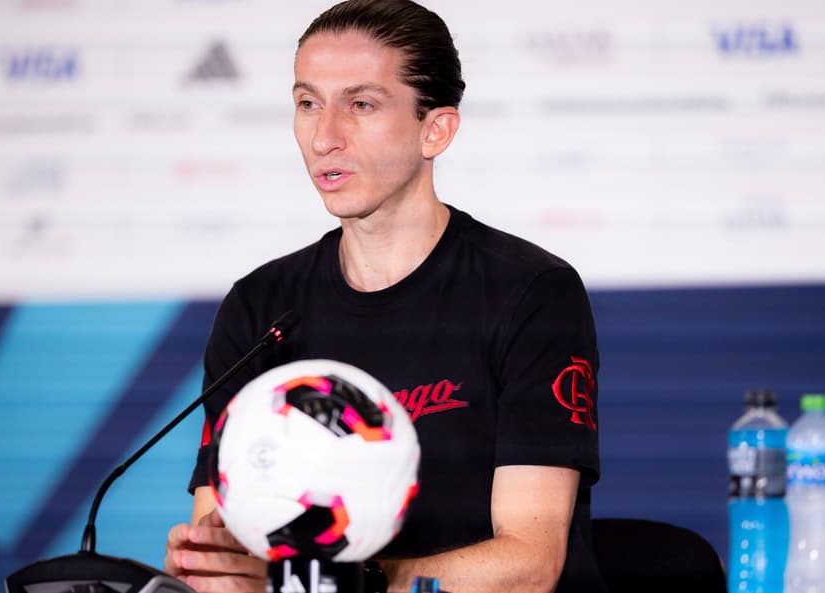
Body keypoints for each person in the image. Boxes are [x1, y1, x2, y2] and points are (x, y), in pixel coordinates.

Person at [164, 1, 603, 592]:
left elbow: (530, 565)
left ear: (436, 129)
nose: (324, 137)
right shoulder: (259, 309)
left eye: (361, 104)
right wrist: (211, 567)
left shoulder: (530, 293)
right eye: (307, 103)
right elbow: (223, 555)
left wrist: (344, 582)